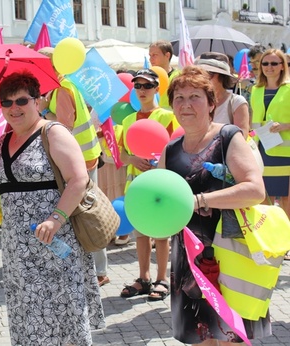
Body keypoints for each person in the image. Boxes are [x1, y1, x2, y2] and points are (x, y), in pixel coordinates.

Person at [0, 70, 105, 345]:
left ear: (37, 100)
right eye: (6, 103)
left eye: (21, 100)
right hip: (17, 248)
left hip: (54, 241)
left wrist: (55, 219)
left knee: (61, 314)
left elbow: (78, 179)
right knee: (28, 315)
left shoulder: (53, 132)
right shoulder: (2, 142)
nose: (13, 108)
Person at [159, 65, 268, 345]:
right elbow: (161, 200)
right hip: (187, 255)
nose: (186, 104)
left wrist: (199, 200)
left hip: (228, 252)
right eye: (179, 98)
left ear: (211, 104)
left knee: (232, 337)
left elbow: (255, 190)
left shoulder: (228, 137)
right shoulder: (170, 151)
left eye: (194, 96)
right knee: (201, 337)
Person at [39, 63, 109, 286]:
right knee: (86, 211)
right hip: (84, 155)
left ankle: (99, 271)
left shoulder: (61, 88)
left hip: (78, 159)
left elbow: (64, 126)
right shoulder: (68, 83)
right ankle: (97, 269)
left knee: (86, 214)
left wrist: (42, 111)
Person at [119, 69, 177, 301]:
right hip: (136, 186)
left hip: (158, 183)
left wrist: (158, 164)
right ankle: (143, 278)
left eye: (147, 86)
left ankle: (163, 279)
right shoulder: (127, 119)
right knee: (141, 234)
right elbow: (122, 154)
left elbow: (174, 149)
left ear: (156, 89)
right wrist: (132, 159)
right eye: (138, 86)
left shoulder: (166, 117)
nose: (142, 90)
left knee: (161, 235)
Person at [249, 49, 290, 260]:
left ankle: (287, 241)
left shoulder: (289, 89)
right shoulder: (255, 90)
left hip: (285, 152)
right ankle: (269, 238)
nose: (269, 67)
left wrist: (285, 125)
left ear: (283, 65)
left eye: (274, 63)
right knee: (262, 197)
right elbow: (252, 119)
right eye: (265, 63)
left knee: (286, 200)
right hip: (260, 149)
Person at [195, 54, 250, 136]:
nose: (203, 78)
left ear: (222, 76)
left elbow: (241, 137)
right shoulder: (194, 101)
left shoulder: (236, 102)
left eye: (208, 74)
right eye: (199, 74)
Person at [149, 40, 180, 110]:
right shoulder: (146, 77)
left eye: (155, 55)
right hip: (152, 119)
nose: (151, 59)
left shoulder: (178, 77)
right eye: (150, 55)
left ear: (167, 55)